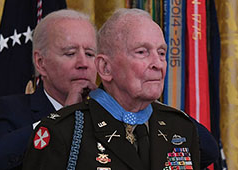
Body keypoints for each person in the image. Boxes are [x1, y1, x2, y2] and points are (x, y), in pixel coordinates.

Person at [22, 8, 202, 170]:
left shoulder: (180, 126)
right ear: (106, 68)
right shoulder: (64, 131)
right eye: (142, 52)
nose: (158, 64)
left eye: (161, 53)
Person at [0, 9, 97, 170]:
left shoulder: (112, 113)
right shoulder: (10, 110)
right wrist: (59, 119)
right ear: (41, 63)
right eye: (70, 53)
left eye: (90, 54)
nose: (83, 63)